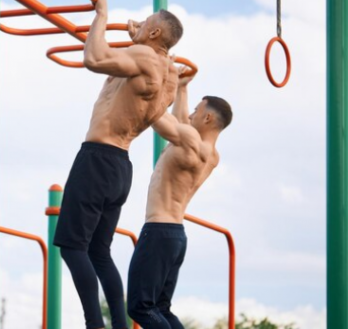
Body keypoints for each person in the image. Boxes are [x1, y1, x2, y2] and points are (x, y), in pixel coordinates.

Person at [52, 0, 185, 327]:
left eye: (146, 22)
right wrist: (138, 37)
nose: (138, 22)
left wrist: (101, 15)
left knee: (71, 247)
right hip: (120, 167)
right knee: (99, 252)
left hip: (96, 160)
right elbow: (135, 74)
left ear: (154, 31)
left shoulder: (142, 57)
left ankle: (95, 324)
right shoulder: (167, 75)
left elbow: (94, 57)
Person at [126, 69, 233, 329]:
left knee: (141, 307)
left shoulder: (189, 144)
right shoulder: (210, 153)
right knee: (161, 308)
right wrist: (182, 88)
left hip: (159, 232)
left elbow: (157, 118)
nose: (191, 114)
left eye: (196, 111)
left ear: (207, 118)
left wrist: (143, 82)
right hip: (174, 235)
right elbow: (182, 125)